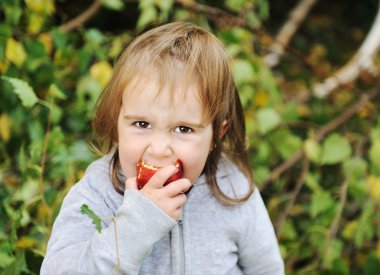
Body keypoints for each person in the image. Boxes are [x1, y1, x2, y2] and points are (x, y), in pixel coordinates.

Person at [41, 22, 284, 274]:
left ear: (216, 135)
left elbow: (266, 269)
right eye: (142, 123)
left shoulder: (233, 189)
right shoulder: (98, 193)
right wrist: (136, 226)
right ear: (118, 121)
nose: (158, 150)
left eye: (183, 129)